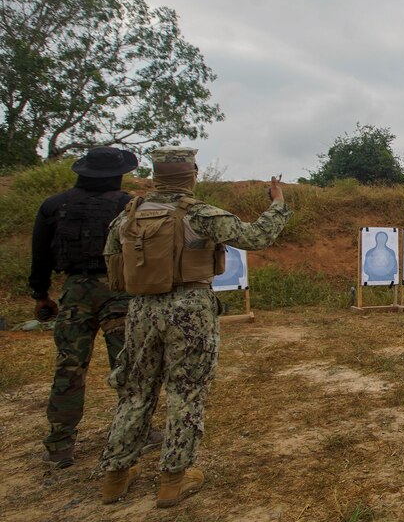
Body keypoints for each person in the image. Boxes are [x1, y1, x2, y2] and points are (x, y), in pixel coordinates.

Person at [99, 147, 290, 507]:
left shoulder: (127, 216)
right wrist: (277, 202)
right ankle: (173, 479)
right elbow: (257, 237)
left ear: (156, 175)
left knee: (135, 390)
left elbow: (113, 265)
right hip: (190, 308)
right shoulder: (201, 215)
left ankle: (116, 476)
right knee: (185, 392)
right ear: (191, 175)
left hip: (140, 310)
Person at [29, 147, 155, 469]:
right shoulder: (129, 206)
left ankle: (59, 445)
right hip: (119, 291)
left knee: (69, 369)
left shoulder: (54, 206)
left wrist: (41, 295)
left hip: (74, 291)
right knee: (129, 365)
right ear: (118, 174)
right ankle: (137, 431)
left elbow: (40, 255)